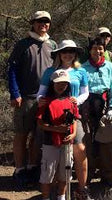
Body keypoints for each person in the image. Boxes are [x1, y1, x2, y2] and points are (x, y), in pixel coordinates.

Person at [37, 39, 91, 199]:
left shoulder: (80, 71)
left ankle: (82, 188)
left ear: (75, 54)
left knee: (79, 148)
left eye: (71, 51)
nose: (68, 54)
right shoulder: (50, 71)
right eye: (64, 51)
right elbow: (41, 93)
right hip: (52, 115)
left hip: (73, 115)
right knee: (53, 151)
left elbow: (85, 92)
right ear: (59, 54)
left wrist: (77, 101)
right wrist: (41, 101)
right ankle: (53, 190)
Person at [8, 10, 56, 188]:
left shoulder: (52, 44)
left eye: (46, 21)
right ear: (33, 23)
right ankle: (19, 170)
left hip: (45, 99)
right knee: (21, 134)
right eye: (39, 21)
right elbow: (12, 69)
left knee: (37, 135)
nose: (43, 24)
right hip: (26, 98)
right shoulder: (23, 44)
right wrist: (15, 93)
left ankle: (32, 167)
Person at [81, 37, 112, 188]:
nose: (98, 51)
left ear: (104, 50)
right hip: (86, 107)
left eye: (100, 48)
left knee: (106, 142)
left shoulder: (110, 67)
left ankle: (107, 175)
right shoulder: (82, 68)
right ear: (89, 50)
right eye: (94, 48)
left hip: (104, 106)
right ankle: (87, 174)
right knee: (87, 141)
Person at [36, 69, 79, 200]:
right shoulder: (45, 101)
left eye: (64, 83)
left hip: (67, 143)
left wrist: (73, 134)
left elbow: (74, 120)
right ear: (52, 84)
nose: (61, 86)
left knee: (64, 174)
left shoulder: (71, 101)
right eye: (58, 83)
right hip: (50, 143)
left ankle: (61, 197)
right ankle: (46, 197)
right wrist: (56, 129)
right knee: (47, 173)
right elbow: (40, 123)